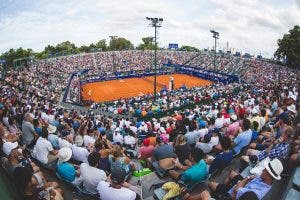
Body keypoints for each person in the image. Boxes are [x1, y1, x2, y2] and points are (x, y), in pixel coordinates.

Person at [208, 158, 283, 200]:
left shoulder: (257, 193)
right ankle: (223, 188)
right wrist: (246, 181)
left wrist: (247, 178)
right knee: (232, 172)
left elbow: (236, 190)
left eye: (264, 170)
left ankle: (222, 193)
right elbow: (242, 186)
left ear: (268, 175)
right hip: (240, 186)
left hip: (233, 194)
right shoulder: (265, 180)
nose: (262, 170)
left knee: (210, 184)